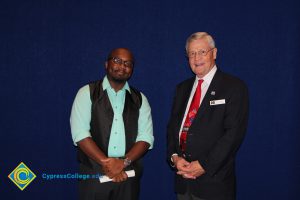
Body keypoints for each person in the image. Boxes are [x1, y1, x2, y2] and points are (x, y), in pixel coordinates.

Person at [167, 32, 249, 200]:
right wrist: (174, 157)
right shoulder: (181, 89)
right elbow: (172, 128)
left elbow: (233, 135)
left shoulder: (233, 87)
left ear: (214, 53)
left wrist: (204, 165)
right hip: (183, 183)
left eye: (202, 52)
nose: (197, 58)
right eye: (192, 53)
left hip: (214, 183)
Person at [70, 48, 154, 200]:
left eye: (128, 63)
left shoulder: (140, 99)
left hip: (128, 175)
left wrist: (123, 163)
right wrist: (107, 163)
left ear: (132, 69)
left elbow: (146, 137)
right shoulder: (86, 93)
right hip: (94, 174)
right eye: (117, 61)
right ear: (106, 64)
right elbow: (80, 133)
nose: (122, 66)